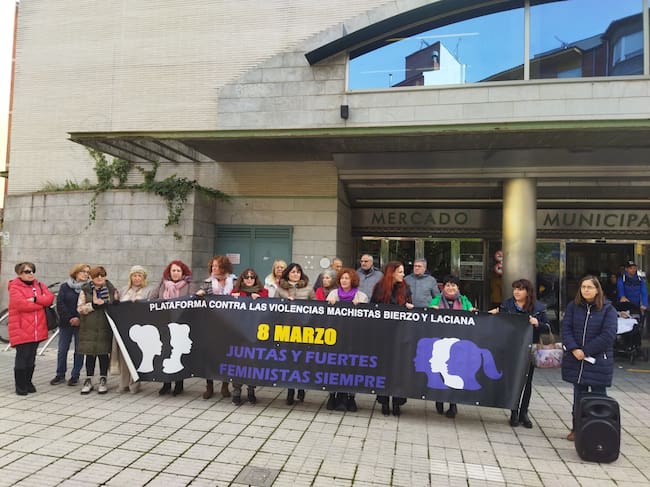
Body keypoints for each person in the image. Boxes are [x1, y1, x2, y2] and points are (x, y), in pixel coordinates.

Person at [561, 275, 617, 442]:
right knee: (579, 396)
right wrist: (573, 348)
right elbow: (566, 329)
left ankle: (599, 430)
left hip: (598, 360)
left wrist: (585, 351)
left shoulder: (608, 309)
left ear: (597, 290)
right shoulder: (573, 306)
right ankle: (577, 428)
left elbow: (608, 335)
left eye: (590, 287)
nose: (586, 290)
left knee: (599, 397)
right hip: (576, 359)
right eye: (583, 287)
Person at [489, 278, 548, 428]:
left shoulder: (538, 308)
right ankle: (514, 411)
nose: (516, 292)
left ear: (528, 292)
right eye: (515, 288)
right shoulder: (507, 305)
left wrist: (537, 323)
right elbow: (499, 321)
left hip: (529, 348)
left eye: (520, 289)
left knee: (527, 382)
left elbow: (548, 327)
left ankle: (524, 413)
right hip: (511, 347)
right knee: (513, 380)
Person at [429, 274, 476, 418]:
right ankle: (439, 399)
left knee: (455, 372)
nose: (450, 288)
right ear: (443, 287)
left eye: (453, 285)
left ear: (458, 287)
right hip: (441, 342)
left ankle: (453, 404)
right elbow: (428, 315)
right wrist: (431, 309)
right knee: (440, 372)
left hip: (458, 344)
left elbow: (473, 316)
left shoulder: (465, 301)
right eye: (448, 285)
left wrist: (473, 312)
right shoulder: (436, 300)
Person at [371, 261, 413, 416]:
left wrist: (409, 307)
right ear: (392, 272)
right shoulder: (380, 287)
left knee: (398, 368)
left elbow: (410, 305)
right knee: (384, 367)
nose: (403, 274)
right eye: (400, 272)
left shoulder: (405, 287)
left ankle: (397, 401)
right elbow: (373, 308)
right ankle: (384, 400)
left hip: (400, 333)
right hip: (383, 334)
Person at [8, 262, 55, 395]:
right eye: (27, 271)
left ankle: (28, 382)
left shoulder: (39, 285)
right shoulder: (15, 287)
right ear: (20, 273)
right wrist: (40, 304)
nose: (31, 274)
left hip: (37, 329)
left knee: (31, 357)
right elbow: (21, 305)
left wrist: (34, 299)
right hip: (21, 328)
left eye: (32, 271)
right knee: (22, 356)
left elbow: (50, 299)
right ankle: (20, 385)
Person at [326, 267, 369, 412]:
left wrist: (360, 307)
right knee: (334, 367)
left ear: (353, 281)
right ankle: (333, 395)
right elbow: (324, 316)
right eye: (342, 278)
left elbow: (367, 319)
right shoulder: (333, 294)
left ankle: (350, 397)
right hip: (335, 337)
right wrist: (329, 305)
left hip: (353, 338)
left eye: (347, 278)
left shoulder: (361, 296)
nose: (344, 280)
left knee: (351, 368)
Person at [151, 260, 193, 396]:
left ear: (183, 273)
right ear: (169, 272)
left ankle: (179, 384)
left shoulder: (189, 285)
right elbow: (152, 298)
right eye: (173, 270)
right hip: (164, 323)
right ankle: (166, 383)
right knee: (166, 352)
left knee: (178, 352)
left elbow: (192, 302)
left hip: (180, 324)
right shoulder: (163, 284)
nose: (175, 273)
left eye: (178, 271)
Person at [276, 262, 315, 405]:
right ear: (287, 274)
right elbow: (273, 307)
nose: (295, 274)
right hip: (287, 330)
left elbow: (317, 307)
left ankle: (301, 387)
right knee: (290, 361)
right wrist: (284, 302)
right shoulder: (280, 289)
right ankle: (290, 389)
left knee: (302, 361)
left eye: (298, 272)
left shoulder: (308, 288)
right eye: (292, 272)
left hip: (304, 330)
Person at [196, 255, 235, 399]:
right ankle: (209, 386)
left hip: (230, 324)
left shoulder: (234, 281)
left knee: (227, 355)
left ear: (224, 267)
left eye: (217, 266)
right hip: (211, 323)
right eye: (212, 266)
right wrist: (200, 294)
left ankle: (225, 385)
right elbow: (200, 297)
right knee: (210, 355)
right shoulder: (207, 283)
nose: (214, 268)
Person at [77, 266, 119, 395]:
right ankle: (88, 379)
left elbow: (117, 306)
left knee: (103, 354)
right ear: (92, 277)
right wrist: (93, 305)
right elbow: (80, 308)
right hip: (89, 327)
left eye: (102, 275)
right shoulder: (85, 290)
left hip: (105, 327)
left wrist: (112, 303)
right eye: (97, 276)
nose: (100, 278)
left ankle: (103, 379)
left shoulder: (112, 289)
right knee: (89, 354)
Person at [230, 267, 268, 405]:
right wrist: (233, 299)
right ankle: (236, 391)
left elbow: (270, 308)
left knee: (253, 363)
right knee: (238, 363)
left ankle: (251, 391)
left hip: (256, 333)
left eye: (252, 277)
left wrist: (260, 299)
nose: (249, 279)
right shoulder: (235, 292)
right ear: (242, 279)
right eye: (247, 277)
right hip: (239, 333)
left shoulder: (263, 292)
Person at [114, 265, 155, 394]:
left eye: (139, 275)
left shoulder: (149, 290)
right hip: (123, 326)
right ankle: (123, 382)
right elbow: (116, 305)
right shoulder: (123, 290)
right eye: (134, 275)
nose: (137, 278)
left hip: (139, 327)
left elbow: (151, 306)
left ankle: (135, 383)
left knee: (136, 354)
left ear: (144, 277)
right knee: (124, 355)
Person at [50, 263, 90, 387]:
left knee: (79, 350)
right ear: (76, 273)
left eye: (87, 272)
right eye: (83, 271)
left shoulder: (89, 288)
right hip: (66, 323)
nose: (86, 274)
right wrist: (70, 318)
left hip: (82, 323)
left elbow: (89, 304)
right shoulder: (65, 286)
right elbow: (60, 304)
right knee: (62, 350)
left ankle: (75, 376)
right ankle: (60, 374)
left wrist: (79, 318)